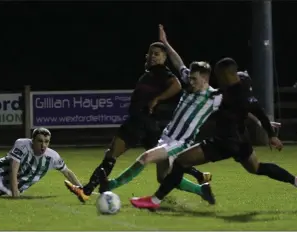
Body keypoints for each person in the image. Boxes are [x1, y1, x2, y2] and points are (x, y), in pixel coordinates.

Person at [129, 57, 297, 209]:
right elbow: (257, 109)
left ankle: (154, 201)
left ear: (227, 74)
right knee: (257, 168)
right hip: (242, 141)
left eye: (219, 74)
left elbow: (222, 98)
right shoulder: (243, 89)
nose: (216, 77)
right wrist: (271, 134)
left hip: (224, 141)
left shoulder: (225, 94)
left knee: (181, 161)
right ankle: (296, 181)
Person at [64, 42, 211, 203]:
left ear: (164, 58)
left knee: (112, 154)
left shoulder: (161, 72)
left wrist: (157, 99)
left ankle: (87, 190)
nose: (153, 57)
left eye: (157, 54)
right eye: (151, 53)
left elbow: (176, 85)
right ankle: (200, 182)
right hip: (149, 125)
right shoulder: (151, 74)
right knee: (163, 173)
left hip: (140, 122)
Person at [0, 127, 82, 198]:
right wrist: (15, 193)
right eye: (40, 141)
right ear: (33, 141)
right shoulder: (22, 144)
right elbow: (14, 169)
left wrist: (82, 189)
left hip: (2, 187)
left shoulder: (52, 157)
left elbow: (67, 172)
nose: (43, 145)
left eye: (46, 142)